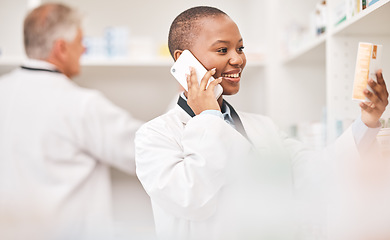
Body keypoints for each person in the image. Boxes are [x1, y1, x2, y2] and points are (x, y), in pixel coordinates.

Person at [134, 6, 389, 240]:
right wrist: (208, 119)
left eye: (240, 48)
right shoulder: (154, 136)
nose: (238, 60)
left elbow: (317, 174)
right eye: (223, 50)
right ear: (183, 60)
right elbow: (192, 200)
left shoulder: (262, 127)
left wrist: (367, 121)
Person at [0, 3, 143, 240]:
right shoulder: (81, 105)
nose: (84, 49)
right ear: (61, 48)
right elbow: (146, 152)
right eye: (80, 41)